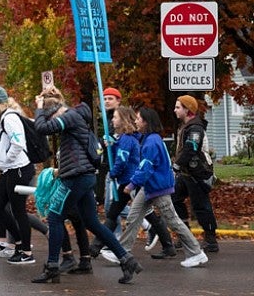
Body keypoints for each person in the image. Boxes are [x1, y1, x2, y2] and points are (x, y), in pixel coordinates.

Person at [31, 87, 141, 285]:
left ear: (56, 111)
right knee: (92, 222)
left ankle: (52, 267)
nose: (52, 121)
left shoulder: (70, 117)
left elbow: (42, 128)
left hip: (75, 176)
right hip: (84, 176)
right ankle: (126, 259)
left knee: (55, 218)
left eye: (51, 116)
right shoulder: (73, 116)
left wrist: (38, 107)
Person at [107, 107, 208, 269]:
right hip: (149, 186)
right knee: (133, 216)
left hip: (158, 187)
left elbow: (146, 167)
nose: (135, 121)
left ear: (146, 122)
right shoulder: (148, 139)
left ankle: (196, 252)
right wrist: (114, 142)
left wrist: (132, 184)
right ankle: (122, 251)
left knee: (173, 220)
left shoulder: (152, 142)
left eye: (138, 119)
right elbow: (135, 141)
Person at [89, 106, 174, 259]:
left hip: (130, 181)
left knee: (116, 213)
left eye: (115, 117)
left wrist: (112, 173)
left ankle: (97, 247)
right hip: (128, 180)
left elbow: (122, 161)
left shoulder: (127, 139)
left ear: (122, 120)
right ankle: (167, 245)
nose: (112, 120)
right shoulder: (124, 138)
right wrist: (112, 145)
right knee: (134, 213)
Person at [0, 86, 35, 265]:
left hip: (18, 169)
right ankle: (19, 244)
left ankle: (27, 251)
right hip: (9, 170)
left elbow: (18, 143)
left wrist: (5, 159)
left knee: (18, 210)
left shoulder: (10, 119)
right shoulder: (3, 118)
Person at [172, 95, 219, 253]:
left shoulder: (195, 128)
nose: (175, 110)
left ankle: (211, 240)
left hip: (198, 173)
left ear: (188, 110)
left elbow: (191, 148)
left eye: (178, 107)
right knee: (175, 198)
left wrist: (176, 165)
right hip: (186, 173)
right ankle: (185, 235)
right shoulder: (185, 126)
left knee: (201, 206)